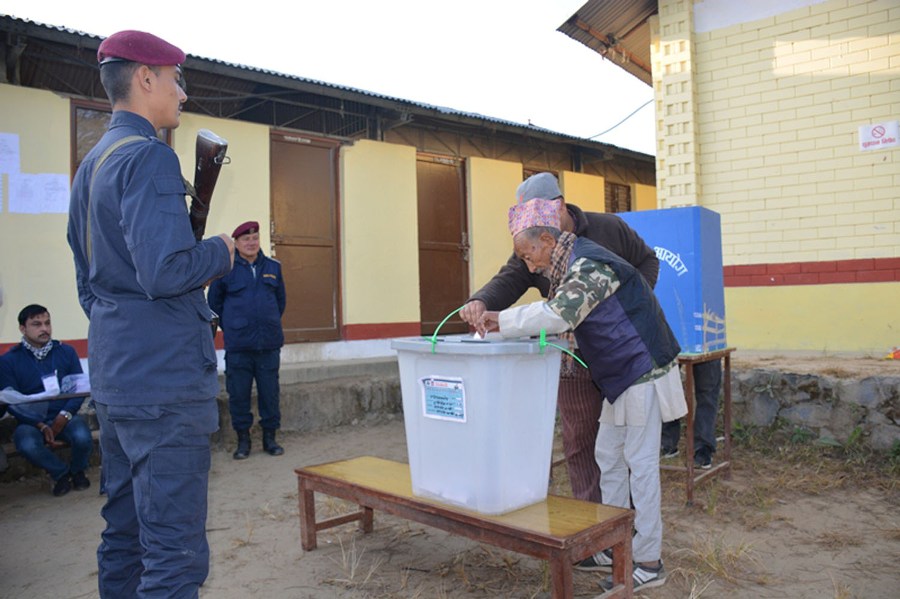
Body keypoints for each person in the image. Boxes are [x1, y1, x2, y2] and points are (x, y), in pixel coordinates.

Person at [66, 30, 234, 598]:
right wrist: (222, 252)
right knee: (174, 554)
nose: (182, 94)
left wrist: (123, 327)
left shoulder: (93, 164)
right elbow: (164, 272)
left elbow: (88, 285)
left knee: (124, 537)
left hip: (117, 379)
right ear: (145, 79)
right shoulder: (150, 157)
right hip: (163, 387)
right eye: (176, 79)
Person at [475, 198, 686, 592]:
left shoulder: (590, 265)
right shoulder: (569, 265)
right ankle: (614, 543)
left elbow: (559, 314)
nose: (529, 265)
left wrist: (500, 320)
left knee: (640, 467)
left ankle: (649, 561)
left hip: (643, 369)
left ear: (547, 240)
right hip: (620, 377)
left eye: (529, 254)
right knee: (607, 456)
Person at [460, 172, 659, 505]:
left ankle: (627, 522)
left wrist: (630, 305)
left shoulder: (608, 229)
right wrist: (480, 300)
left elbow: (646, 261)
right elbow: (510, 279)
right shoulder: (533, 241)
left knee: (624, 446)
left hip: (618, 353)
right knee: (580, 439)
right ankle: (591, 523)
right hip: (571, 354)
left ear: (559, 205)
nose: (533, 261)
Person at [207, 220, 287, 459]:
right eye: (246, 239)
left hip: (268, 344)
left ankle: (270, 439)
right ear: (237, 243)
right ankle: (243, 441)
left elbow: (280, 302)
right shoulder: (226, 270)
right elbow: (214, 304)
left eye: (255, 238)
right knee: (239, 394)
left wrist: (266, 322)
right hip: (239, 346)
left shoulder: (274, 266)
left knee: (269, 393)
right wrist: (233, 327)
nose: (251, 243)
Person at [0, 305, 93, 496]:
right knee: (26, 444)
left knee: (83, 437)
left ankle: (77, 472)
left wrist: (64, 415)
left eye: (47, 323)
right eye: (37, 324)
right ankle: (60, 473)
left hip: (65, 415)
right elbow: (10, 400)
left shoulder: (66, 352)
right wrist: (40, 425)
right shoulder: (9, 360)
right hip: (30, 422)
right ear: (22, 329)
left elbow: (80, 389)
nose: (45, 329)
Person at [661, 359, 722, 468]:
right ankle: (667, 443)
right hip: (669, 345)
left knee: (707, 390)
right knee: (667, 387)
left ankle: (703, 447)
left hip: (706, 345)